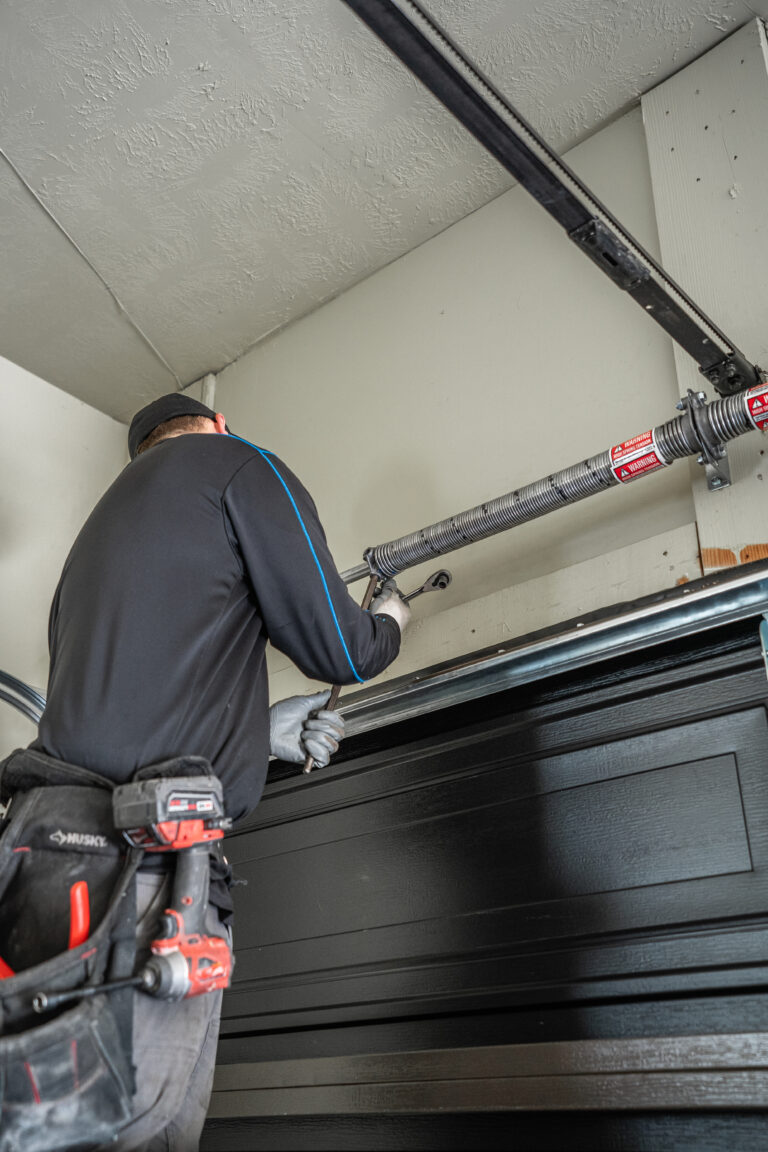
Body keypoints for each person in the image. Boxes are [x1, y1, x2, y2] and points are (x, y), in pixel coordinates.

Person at [14, 392, 410, 1151]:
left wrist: (258, 736)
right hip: (146, 869)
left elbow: (131, 709)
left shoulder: (92, 544)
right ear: (222, 428)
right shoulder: (239, 466)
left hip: (47, 861)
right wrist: (391, 620)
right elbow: (343, 648)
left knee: (55, 1126)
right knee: (143, 1130)